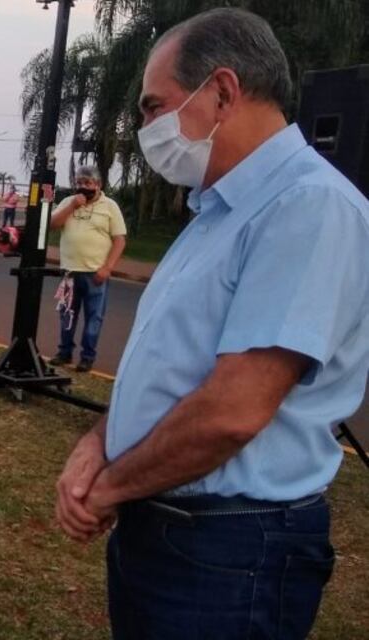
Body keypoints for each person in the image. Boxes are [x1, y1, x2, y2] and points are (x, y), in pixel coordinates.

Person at [54, 8, 369, 639]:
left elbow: (233, 409)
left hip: (231, 550)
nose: (146, 127)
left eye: (153, 107)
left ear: (222, 91)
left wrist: (112, 485)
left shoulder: (307, 207)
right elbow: (168, 366)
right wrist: (98, 442)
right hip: (173, 525)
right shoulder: (218, 212)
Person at [47, 166, 126, 372]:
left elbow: (119, 240)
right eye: (80, 183)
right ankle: (64, 353)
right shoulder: (68, 202)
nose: (83, 187)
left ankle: (87, 357)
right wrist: (73, 205)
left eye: (88, 183)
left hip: (96, 274)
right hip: (70, 272)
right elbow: (53, 224)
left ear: (98, 185)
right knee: (67, 314)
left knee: (94, 316)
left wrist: (107, 268)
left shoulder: (109, 206)